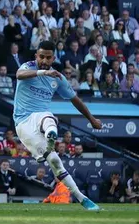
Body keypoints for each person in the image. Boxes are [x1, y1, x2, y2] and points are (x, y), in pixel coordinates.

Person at [14, 40, 102, 211]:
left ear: (53, 57)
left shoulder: (58, 78)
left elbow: (75, 100)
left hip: (41, 116)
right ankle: (50, 137)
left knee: (54, 155)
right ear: (36, 56)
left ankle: (82, 199)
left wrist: (91, 119)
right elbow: (19, 75)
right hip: (23, 122)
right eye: (41, 57)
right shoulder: (29, 67)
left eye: (48, 58)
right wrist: (42, 72)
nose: (45, 61)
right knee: (51, 143)